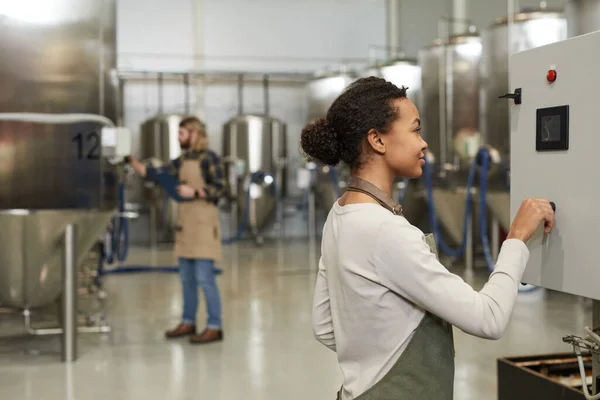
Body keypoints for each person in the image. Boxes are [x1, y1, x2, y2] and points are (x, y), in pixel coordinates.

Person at [301, 77, 555, 400]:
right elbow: (488, 318)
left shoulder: (339, 215)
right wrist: (517, 236)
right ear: (377, 140)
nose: (424, 143)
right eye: (415, 130)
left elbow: (324, 325)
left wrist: (376, 353)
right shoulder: (386, 231)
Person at [128, 116, 227, 344]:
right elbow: (156, 173)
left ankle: (214, 326)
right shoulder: (181, 160)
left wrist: (195, 192)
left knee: (205, 279)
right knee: (186, 279)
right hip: (185, 227)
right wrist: (130, 160)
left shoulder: (209, 159)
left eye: (182, 134)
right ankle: (188, 321)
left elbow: (222, 189)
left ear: (194, 134)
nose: (178, 138)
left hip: (203, 226)